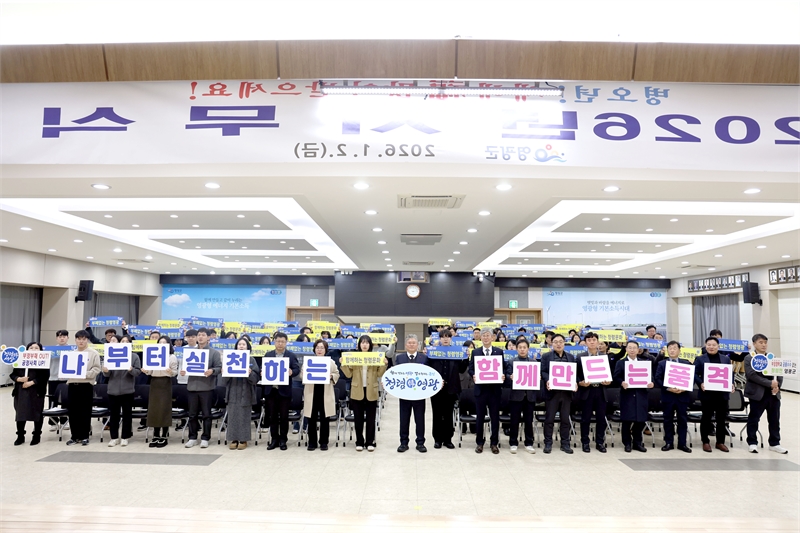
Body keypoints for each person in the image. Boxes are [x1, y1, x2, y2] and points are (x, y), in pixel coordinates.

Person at [340, 335, 387, 452]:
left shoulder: (375, 356)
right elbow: (349, 374)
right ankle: (359, 441)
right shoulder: (354, 357)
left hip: (371, 391)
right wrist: (343, 364)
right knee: (358, 418)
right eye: (362, 343)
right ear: (359, 345)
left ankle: (370, 442)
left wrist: (384, 364)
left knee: (371, 419)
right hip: (357, 391)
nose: (364, 345)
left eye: (367, 343)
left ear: (370, 345)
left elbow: (379, 374)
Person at [744, 334, 787, 454]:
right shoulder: (749, 358)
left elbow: (779, 373)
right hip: (757, 394)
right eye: (761, 342)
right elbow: (752, 375)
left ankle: (775, 443)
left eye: (765, 342)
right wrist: (769, 383)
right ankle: (752, 442)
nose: (763, 345)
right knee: (754, 419)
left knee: (774, 419)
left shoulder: (771, 357)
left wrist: (777, 386)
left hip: (773, 394)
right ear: (754, 344)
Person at [182, 328, 222, 449]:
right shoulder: (190, 352)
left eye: (203, 335)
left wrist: (212, 371)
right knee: (192, 414)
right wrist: (183, 371)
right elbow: (185, 367)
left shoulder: (214, 353)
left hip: (206, 387)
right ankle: (192, 437)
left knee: (206, 414)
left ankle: (205, 438)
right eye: (199, 335)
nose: (200, 337)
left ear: (208, 337)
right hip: (192, 386)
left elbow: (219, 368)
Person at [428, 330, 468, 449]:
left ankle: (448, 439)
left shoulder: (456, 352)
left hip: (451, 388)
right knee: (437, 414)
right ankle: (437, 439)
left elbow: (461, 369)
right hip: (436, 388)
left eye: (448, 337)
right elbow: (428, 367)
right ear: (440, 339)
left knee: (448, 414)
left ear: (451, 339)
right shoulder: (434, 352)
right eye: (443, 337)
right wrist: (426, 353)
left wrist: (466, 357)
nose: (445, 339)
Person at [695, 336, 734, 452]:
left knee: (721, 419)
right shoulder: (700, 359)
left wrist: (732, 383)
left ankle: (720, 442)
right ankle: (705, 441)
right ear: (705, 345)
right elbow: (694, 374)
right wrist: (700, 383)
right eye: (709, 345)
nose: (711, 347)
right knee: (706, 418)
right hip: (707, 394)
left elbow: (730, 373)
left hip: (722, 394)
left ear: (718, 346)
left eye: (714, 345)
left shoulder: (725, 359)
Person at [262, 332, 299, 450]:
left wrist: (292, 372)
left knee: (284, 417)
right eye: (278, 341)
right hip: (271, 390)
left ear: (286, 343)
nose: (280, 344)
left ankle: (283, 440)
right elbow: (263, 368)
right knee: (272, 416)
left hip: (284, 391)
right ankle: (274, 440)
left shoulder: (291, 355)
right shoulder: (268, 355)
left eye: (283, 342)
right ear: (274, 342)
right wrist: (262, 372)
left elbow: (297, 369)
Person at [614, 340, 653, 453]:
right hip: (627, 395)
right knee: (627, 420)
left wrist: (651, 383)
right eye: (629, 348)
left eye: (634, 348)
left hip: (641, 395)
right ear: (626, 349)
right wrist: (622, 382)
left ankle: (637, 442)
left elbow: (650, 377)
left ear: (638, 350)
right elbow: (616, 377)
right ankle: (627, 443)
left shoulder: (644, 363)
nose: (632, 350)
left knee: (640, 420)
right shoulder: (621, 363)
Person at [575, 332, 612, 453]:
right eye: (589, 340)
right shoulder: (580, 357)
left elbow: (610, 374)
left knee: (601, 419)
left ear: (598, 342)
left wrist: (608, 381)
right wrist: (580, 382)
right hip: (587, 391)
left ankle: (600, 442)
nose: (592, 342)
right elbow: (576, 374)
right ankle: (585, 442)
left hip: (601, 391)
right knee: (585, 418)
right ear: (585, 343)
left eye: (594, 340)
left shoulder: (604, 357)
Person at [469, 327, 504, 454]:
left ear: (492, 337)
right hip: (480, 390)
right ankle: (479, 443)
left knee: (495, 417)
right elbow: (471, 368)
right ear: (480, 337)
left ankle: (494, 443)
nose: (485, 337)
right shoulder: (475, 352)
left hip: (494, 390)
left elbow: (503, 367)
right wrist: (473, 375)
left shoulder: (499, 352)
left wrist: (503, 375)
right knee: (480, 418)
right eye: (483, 335)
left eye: (488, 335)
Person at [222, 337, 260, 450]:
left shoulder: (251, 360)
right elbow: (224, 381)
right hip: (233, 390)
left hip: (246, 391)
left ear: (248, 347)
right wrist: (225, 372)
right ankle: (233, 439)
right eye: (239, 344)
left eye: (244, 344)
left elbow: (256, 379)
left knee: (244, 416)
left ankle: (243, 439)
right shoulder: (229, 358)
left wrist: (250, 373)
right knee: (232, 415)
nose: (241, 346)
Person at [541, 334, 577, 454]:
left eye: (561, 341)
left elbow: (574, 373)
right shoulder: (546, 356)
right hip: (552, 393)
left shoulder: (570, 357)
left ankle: (565, 443)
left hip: (566, 393)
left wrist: (575, 383)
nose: (558, 344)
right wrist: (547, 380)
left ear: (564, 343)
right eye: (555, 342)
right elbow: (543, 371)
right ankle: (548, 443)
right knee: (549, 419)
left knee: (565, 419)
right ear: (551, 344)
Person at [654, 341, 692, 453]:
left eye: (675, 348)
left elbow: (692, 378)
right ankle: (668, 442)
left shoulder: (686, 363)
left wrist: (685, 388)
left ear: (679, 350)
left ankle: (682, 443)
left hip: (682, 396)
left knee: (682, 420)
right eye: (670, 348)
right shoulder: (662, 363)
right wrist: (668, 388)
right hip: (668, 396)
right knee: (668, 420)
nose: (672, 350)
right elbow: (657, 379)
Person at [103, 341, 142, 447]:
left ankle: (125, 437)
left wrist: (131, 370)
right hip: (113, 390)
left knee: (127, 415)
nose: (124, 343)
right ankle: (114, 437)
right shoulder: (111, 354)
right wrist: (105, 371)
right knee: (114, 415)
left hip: (127, 390)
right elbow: (107, 374)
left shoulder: (134, 356)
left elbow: (138, 372)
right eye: (123, 341)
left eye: (127, 341)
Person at [66, 331, 102, 446]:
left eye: (84, 339)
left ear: (87, 340)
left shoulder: (93, 353)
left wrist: (84, 373)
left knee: (85, 411)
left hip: (86, 385)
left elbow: (97, 369)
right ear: (75, 340)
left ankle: (84, 436)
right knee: (73, 412)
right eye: (79, 339)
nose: (81, 341)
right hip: (72, 385)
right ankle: (74, 436)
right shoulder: (71, 354)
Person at [303, 339, 339, 451]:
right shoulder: (308, 361)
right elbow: (302, 375)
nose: (319, 350)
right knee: (311, 418)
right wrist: (305, 374)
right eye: (317, 348)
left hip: (325, 393)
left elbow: (337, 373)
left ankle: (324, 442)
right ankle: (312, 442)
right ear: (314, 349)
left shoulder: (330, 362)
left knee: (325, 419)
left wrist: (332, 376)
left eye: (322, 348)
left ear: (326, 350)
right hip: (311, 393)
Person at [11, 341, 50, 446]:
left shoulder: (44, 362)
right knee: (20, 413)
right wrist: (19, 379)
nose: (33, 349)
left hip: (36, 391)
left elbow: (45, 376)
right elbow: (13, 374)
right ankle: (20, 436)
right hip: (21, 391)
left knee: (37, 413)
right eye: (31, 347)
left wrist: (31, 382)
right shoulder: (20, 360)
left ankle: (36, 435)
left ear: (40, 350)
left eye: (36, 348)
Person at [395, 334, 428, 453]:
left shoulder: (424, 358)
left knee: (420, 419)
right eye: (409, 343)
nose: (412, 345)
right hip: (404, 395)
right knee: (404, 419)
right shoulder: (399, 358)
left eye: (414, 343)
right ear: (405, 345)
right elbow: (395, 374)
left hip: (419, 395)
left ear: (418, 345)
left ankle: (420, 442)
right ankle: (403, 443)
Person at [144, 337, 178, 448]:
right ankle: (156, 434)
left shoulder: (171, 357)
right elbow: (149, 371)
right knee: (154, 409)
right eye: (160, 342)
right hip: (154, 382)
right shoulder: (152, 354)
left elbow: (175, 372)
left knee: (164, 409)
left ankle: (164, 435)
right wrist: (145, 370)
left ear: (169, 344)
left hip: (165, 383)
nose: (162, 344)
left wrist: (170, 371)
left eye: (164, 342)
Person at [505, 338, 536, 454]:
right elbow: (506, 378)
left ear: (528, 349)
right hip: (516, 396)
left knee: (529, 421)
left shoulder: (533, 362)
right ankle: (513, 443)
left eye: (524, 347)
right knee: (514, 420)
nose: (522, 350)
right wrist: (510, 377)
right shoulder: (511, 362)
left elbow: (537, 379)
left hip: (529, 396)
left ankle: (529, 443)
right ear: (516, 349)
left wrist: (538, 378)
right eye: (520, 348)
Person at [47, 330, 70, 431]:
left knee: (66, 400)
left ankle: (64, 421)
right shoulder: (51, 350)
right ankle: (53, 422)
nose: (62, 338)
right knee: (52, 400)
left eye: (64, 336)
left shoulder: (72, 350)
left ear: (68, 338)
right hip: (53, 378)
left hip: (67, 378)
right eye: (60, 337)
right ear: (56, 338)